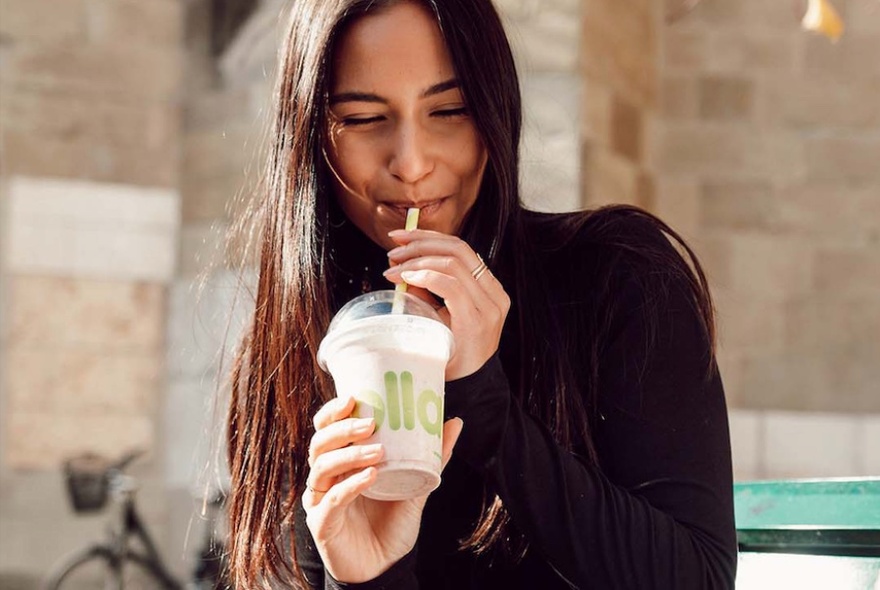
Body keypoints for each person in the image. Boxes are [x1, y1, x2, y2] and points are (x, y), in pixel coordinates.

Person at [225, 0, 738, 588]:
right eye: (365, 119)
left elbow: (698, 578)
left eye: (449, 110)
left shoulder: (616, 277)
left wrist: (486, 406)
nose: (412, 164)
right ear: (312, 138)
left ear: (494, 113)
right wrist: (369, 577)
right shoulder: (298, 353)